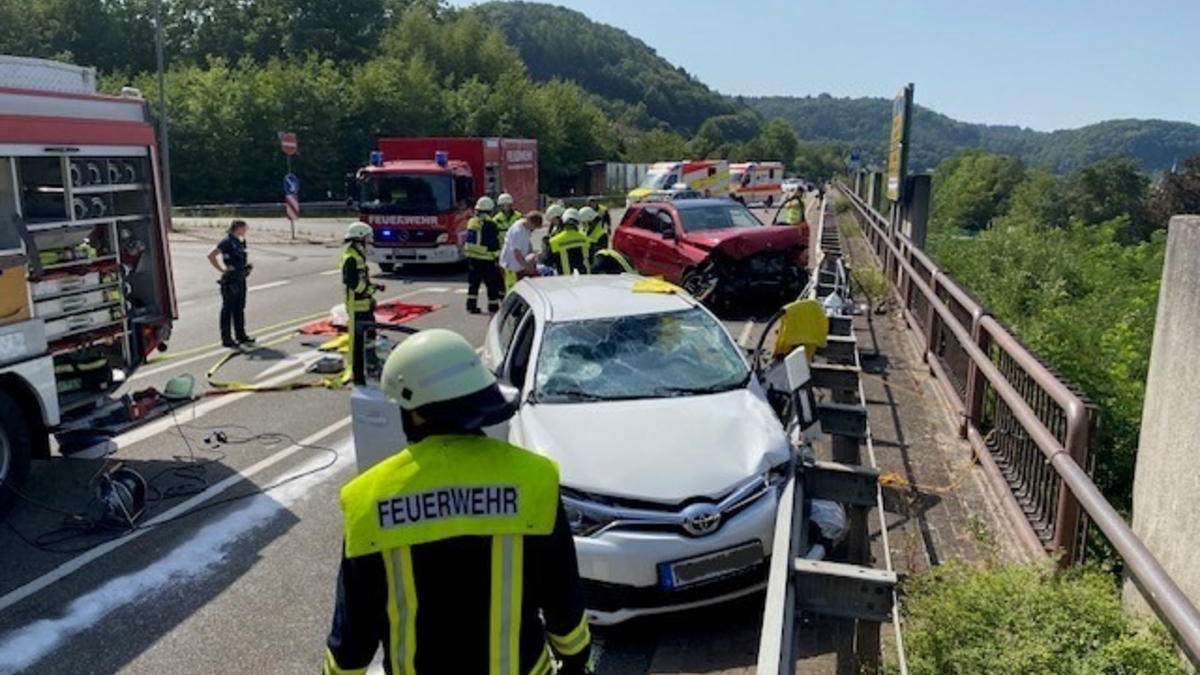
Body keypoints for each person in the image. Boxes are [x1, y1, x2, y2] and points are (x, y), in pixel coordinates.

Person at [322, 329, 592, 675]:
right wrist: (576, 658)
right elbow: (563, 598)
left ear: (416, 413)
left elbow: (352, 641)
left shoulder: (369, 498)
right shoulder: (534, 478)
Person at [342, 221, 385, 383]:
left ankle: (371, 362)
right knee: (359, 339)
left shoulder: (358, 254)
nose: (369, 239)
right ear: (360, 237)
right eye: (367, 236)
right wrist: (369, 290)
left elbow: (362, 281)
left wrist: (374, 288)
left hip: (364, 304)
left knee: (370, 335)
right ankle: (359, 370)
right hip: (357, 306)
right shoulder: (351, 258)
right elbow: (353, 283)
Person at [207, 219, 255, 349]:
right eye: (244, 228)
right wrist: (222, 269)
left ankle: (241, 335)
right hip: (230, 280)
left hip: (240, 278)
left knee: (239, 307)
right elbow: (211, 256)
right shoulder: (227, 242)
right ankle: (227, 338)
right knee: (228, 309)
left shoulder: (239, 241)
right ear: (238, 228)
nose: (246, 231)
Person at [464, 196, 504, 314]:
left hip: (472, 258)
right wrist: (497, 256)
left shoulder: (472, 221)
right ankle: (493, 307)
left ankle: (471, 307)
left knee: (473, 284)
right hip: (487, 259)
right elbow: (493, 243)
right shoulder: (490, 223)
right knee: (492, 284)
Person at [499, 211, 544, 291]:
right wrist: (528, 268)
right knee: (512, 291)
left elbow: (527, 242)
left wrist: (532, 253)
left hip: (518, 266)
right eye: (534, 227)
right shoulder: (518, 232)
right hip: (511, 268)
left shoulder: (525, 227)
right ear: (530, 222)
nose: (534, 229)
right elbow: (517, 254)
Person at [543, 208, 591, 275]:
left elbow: (547, 262)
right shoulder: (586, 239)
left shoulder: (554, 241)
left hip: (565, 280)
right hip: (586, 278)